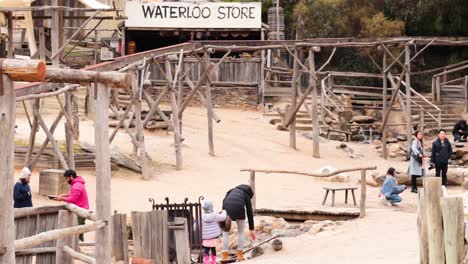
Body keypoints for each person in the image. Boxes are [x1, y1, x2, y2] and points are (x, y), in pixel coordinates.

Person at [221, 184, 256, 261]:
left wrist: (223, 217)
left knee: (225, 233)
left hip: (227, 209)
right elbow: (249, 212)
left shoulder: (231, 191)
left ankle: (225, 256)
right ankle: (240, 255)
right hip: (239, 210)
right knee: (240, 232)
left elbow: (224, 201)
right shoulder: (246, 194)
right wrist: (251, 228)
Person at [55, 169, 89, 241]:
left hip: (80, 210)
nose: (66, 180)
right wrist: (65, 195)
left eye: (67, 178)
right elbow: (74, 195)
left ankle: (79, 243)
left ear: (71, 177)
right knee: (79, 228)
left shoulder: (76, 185)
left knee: (78, 229)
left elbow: (73, 199)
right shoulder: (77, 183)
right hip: (80, 208)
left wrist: (62, 198)